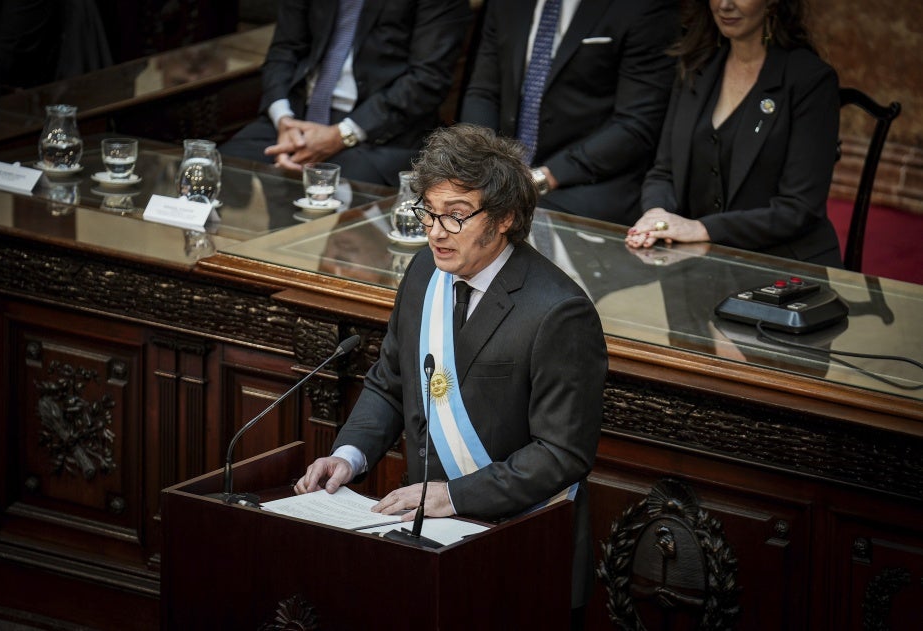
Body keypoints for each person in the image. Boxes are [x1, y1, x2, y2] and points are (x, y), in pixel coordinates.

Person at [294, 124, 609, 627]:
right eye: (429, 213)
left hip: (520, 546)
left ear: (504, 218)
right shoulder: (424, 272)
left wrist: (453, 495)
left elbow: (562, 453)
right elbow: (390, 381)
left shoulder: (558, 312)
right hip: (424, 537)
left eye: (456, 217)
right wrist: (348, 456)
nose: (436, 231)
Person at [626, 0, 843, 266]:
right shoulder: (696, 65)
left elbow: (799, 209)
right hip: (695, 264)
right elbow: (664, 172)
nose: (725, 5)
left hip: (782, 267)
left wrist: (702, 229)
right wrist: (657, 218)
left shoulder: (810, 79)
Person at [458, 0, 680, 225]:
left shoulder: (641, 7)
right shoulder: (507, 5)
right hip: (505, 173)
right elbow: (483, 92)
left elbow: (636, 123)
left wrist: (543, 177)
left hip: (589, 181)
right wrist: (483, 165)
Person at [219, 0, 472, 187]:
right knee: (219, 166)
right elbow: (283, 51)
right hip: (295, 120)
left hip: (380, 133)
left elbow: (427, 80)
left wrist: (341, 135)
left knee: (340, 189)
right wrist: (283, 120)